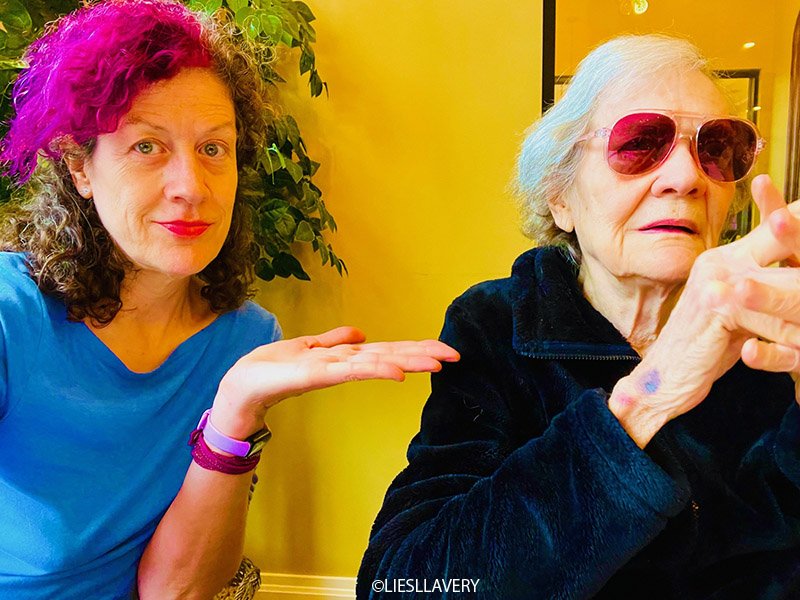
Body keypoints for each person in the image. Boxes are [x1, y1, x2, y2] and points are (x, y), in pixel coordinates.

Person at [0, 1, 458, 598]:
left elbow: (176, 592)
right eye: (147, 147)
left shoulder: (247, 341)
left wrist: (235, 413)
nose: (191, 187)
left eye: (214, 149)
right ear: (79, 167)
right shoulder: (11, 315)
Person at [358, 34, 800, 598]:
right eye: (639, 143)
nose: (687, 178)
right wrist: (647, 396)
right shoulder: (496, 325)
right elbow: (402, 584)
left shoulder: (770, 328)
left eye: (716, 148)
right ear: (559, 197)